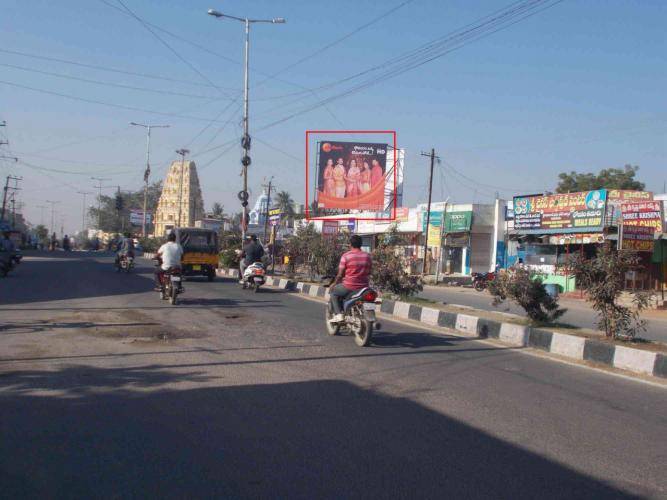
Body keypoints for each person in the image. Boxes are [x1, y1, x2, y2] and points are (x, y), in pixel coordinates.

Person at [329, 234, 372, 323]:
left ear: (350, 244)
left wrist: (334, 283)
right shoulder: (367, 256)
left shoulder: (346, 256)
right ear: (361, 244)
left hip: (349, 286)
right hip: (364, 287)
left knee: (333, 292)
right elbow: (369, 272)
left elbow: (340, 274)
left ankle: (339, 315)